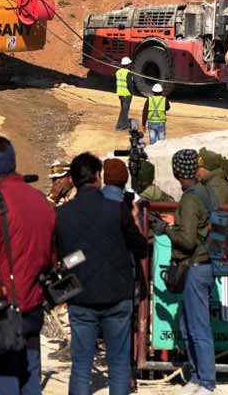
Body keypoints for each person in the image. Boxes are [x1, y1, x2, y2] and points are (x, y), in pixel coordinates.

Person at [55, 153, 149, 395]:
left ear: (73, 180)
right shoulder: (117, 209)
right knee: (118, 364)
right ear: (98, 176)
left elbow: (61, 257)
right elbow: (141, 248)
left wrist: (78, 258)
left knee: (81, 366)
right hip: (117, 294)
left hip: (80, 296)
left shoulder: (62, 214)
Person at [0, 136, 56, 395]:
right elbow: (51, 256)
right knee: (31, 378)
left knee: (5, 382)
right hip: (34, 306)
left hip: (4, 313)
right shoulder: (41, 200)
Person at [152, 149, 216, 394]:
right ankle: (197, 377)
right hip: (202, 264)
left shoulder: (190, 199)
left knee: (197, 326)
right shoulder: (205, 192)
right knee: (188, 324)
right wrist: (176, 223)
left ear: (176, 171)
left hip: (195, 266)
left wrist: (165, 229)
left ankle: (207, 382)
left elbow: (187, 241)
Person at [115, 57, 135, 131]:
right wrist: (132, 92)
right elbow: (129, 84)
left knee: (124, 110)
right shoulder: (128, 73)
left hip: (120, 93)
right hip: (127, 93)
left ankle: (125, 125)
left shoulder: (118, 72)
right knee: (124, 111)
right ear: (128, 65)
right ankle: (120, 126)